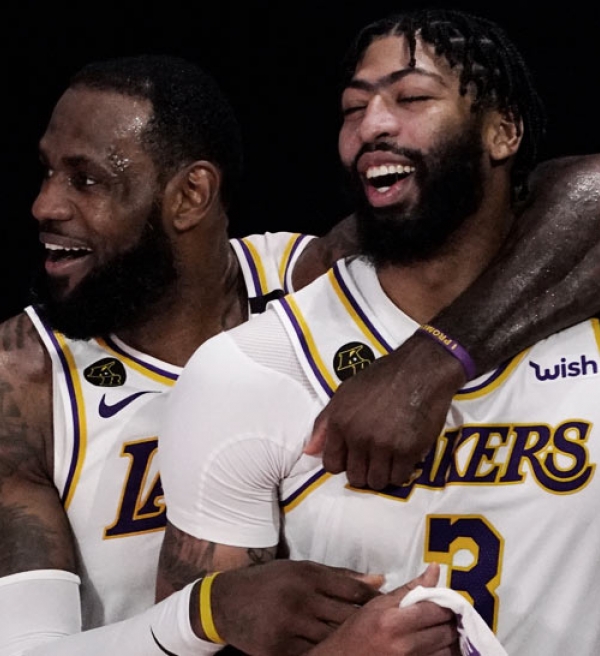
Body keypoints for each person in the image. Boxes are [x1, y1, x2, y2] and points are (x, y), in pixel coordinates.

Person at [0, 43, 598, 656]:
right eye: (47, 173)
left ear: (190, 195)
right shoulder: (22, 378)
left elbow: (564, 200)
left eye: (87, 180)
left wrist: (431, 361)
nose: (45, 205)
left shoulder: (313, 280)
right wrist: (206, 612)